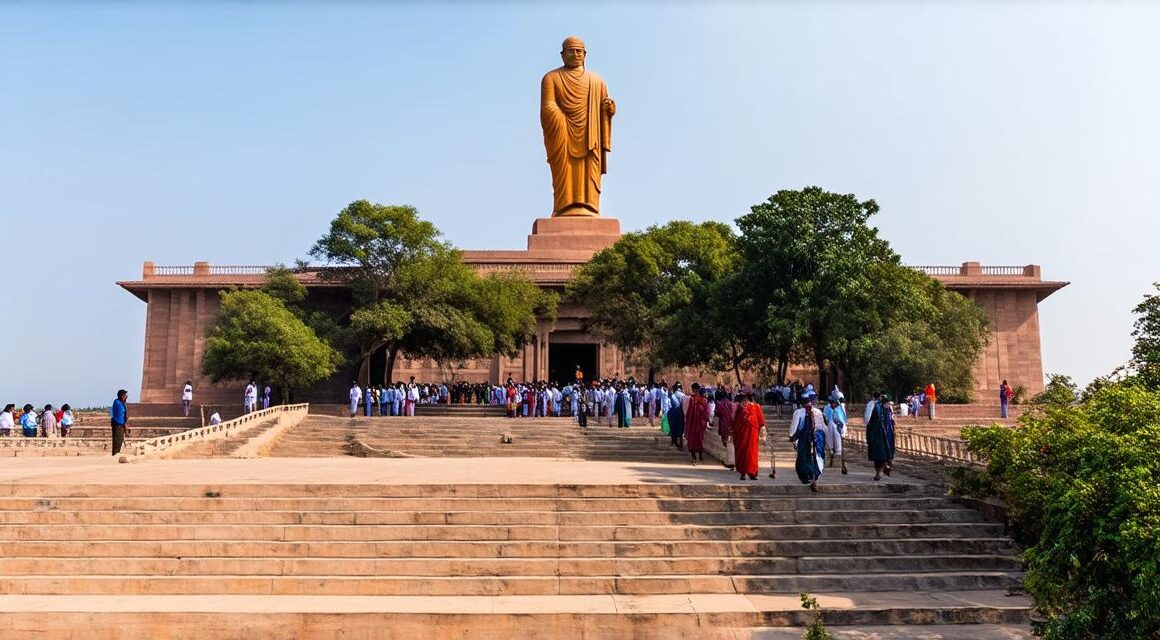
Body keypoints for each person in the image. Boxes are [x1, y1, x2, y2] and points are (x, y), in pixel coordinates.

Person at [540, 36, 615, 216]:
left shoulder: (597, 81)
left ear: (585, 54)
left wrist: (608, 110)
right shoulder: (551, 78)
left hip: (590, 137)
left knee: (590, 171)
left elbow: (604, 109)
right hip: (562, 134)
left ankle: (590, 206)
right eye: (570, 51)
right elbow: (548, 106)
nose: (575, 54)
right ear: (562, 55)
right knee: (564, 171)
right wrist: (561, 120)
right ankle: (563, 207)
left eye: (578, 51)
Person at [789, 395, 826, 492]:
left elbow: (794, 427)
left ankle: (808, 477)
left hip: (805, 439)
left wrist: (792, 436)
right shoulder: (818, 412)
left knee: (803, 458)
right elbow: (822, 426)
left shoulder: (798, 412)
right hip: (817, 439)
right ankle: (814, 477)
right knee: (815, 457)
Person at [732, 393, 764, 480]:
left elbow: (735, 421)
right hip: (752, 435)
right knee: (752, 454)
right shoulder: (756, 407)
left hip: (742, 435)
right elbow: (761, 422)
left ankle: (743, 473)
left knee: (743, 452)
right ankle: (752, 473)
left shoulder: (741, 407)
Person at [866, 393, 896, 481]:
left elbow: (892, 422)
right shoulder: (876, 408)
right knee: (880, 455)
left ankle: (883, 469)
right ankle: (880, 471)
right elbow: (869, 421)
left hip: (886, 435)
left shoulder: (887, 409)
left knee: (885, 454)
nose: (888, 405)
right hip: (879, 435)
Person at [684, 384, 710, 463]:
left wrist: (687, 421)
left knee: (692, 439)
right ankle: (700, 456)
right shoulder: (704, 400)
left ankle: (694, 457)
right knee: (700, 439)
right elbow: (706, 413)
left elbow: (687, 411)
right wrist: (707, 420)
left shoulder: (691, 399)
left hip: (692, 423)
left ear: (693, 389)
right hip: (700, 424)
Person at [822, 398, 846, 469]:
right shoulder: (827, 409)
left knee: (838, 442)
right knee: (830, 442)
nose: (834, 405)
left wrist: (843, 430)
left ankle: (837, 454)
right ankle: (831, 451)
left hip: (838, 428)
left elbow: (843, 420)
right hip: (829, 427)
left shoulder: (839, 409)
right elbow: (825, 417)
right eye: (833, 403)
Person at [110, 390, 129, 455]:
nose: (126, 397)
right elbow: (120, 416)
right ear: (122, 396)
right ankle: (115, 454)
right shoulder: (118, 403)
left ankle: (116, 453)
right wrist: (124, 425)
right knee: (118, 440)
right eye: (125, 395)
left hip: (120, 424)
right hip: (118, 425)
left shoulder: (121, 403)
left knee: (120, 439)